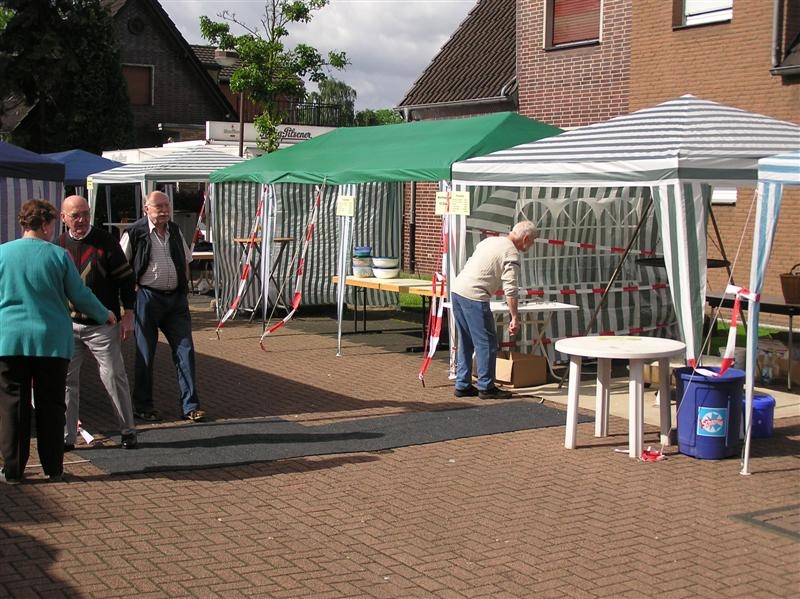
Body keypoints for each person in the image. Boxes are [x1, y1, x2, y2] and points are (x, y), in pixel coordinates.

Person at [0, 200, 115, 484]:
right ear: (45, 224)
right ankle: (53, 467)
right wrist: (105, 314)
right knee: (51, 406)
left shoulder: (2, 253)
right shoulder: (59, 256)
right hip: (51, 342)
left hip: (10, 340)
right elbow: (80, 295)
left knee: (12, 406)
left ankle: (13, 470)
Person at [58, 195, 138, 451]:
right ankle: (67, 437)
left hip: (103, 325)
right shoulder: (58, 245)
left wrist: (128, 313)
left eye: (85, 213)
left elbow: (126, 279)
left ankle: (128, 431)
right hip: (69, 325)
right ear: (63, 218)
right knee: (67, 382)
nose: (82, 220)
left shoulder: (106, 241)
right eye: (75, 215)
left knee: (114, 376)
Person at [120, 191, 205, 423]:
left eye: (167, 206)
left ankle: (190, 406)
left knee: (185, 350)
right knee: (145, 353)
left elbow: (185, 260)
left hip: (175, 300)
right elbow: (119, 266)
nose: (164, 210)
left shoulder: (175, 230)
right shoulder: (134, 232)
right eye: (158, 206)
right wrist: (128, 303)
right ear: (146, 209)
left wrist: (183, 291)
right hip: (147, 298)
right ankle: (143, 406)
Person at [450, 220, 537, 400]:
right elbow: (510, 289)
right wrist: (514, 317)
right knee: (487, 343)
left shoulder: (490, 240)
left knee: (466, 341)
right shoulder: (511, 253)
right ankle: (486, 387)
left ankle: (462, 384)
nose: (532, 244)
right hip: (475, 296)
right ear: (526, 239)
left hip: (457, 290)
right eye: (533, 240)